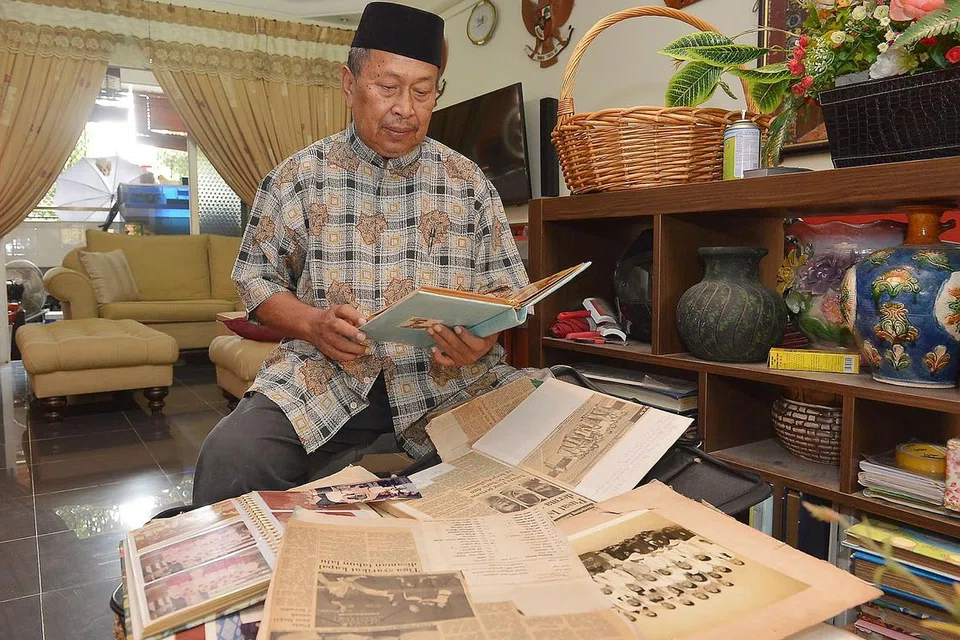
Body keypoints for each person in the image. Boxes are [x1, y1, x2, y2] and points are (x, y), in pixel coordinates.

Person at [192, 2, 532, 506]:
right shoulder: (298, 177)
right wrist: (312, 325)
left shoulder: (469, 182)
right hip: (324, 378)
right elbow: (256, 282)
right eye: (388, 88)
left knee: (553, 424)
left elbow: (506, 291)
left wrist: (481, 342)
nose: (406, 108)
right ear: (349, 85)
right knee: (232, 455)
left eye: (422, 91)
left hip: (450, 384)